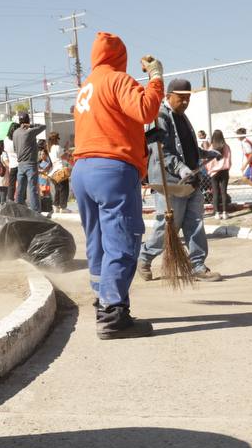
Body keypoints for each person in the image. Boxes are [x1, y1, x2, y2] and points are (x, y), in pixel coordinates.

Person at [71, 32, 164, 339]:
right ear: (119, 56)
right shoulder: (117, 79)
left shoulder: (86, 87)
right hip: (112, 169)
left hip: (82, 170)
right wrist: (155, 76)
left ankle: (103, 301)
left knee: (97, 240)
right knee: (123, 239)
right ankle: (113, 316)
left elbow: (113, 124)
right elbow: (146, 110)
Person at [139, 80, 223, 282]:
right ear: (168, 96)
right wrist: (182, 168)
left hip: (191, 180)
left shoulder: (183, 118)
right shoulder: (160, 118)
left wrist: (206, 154)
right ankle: (144, 257)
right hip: (171, 183)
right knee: (168, 226)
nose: (185, 101)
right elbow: (163, 153)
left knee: (195, 222)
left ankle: (197, 265)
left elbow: (187, 148)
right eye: (181, 97)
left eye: (188, 98)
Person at [7, 112, 46, 211]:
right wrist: (30, 126)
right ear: (28, 121)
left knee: (20, 189)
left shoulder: (15, 133)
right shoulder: (29, 132)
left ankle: (18, 210)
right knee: (33, 189)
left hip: (20, 164)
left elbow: (15, 149)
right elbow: (43, 126)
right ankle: (35, 211)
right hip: (30, 164)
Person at [204, 130, 232, 219]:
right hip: (224, 171)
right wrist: (227, 167)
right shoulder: (226, 146)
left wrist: (210, 170)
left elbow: (208, 162)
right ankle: (225, 213)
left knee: (215, 193)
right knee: (224, 192)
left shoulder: (211, 147)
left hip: (214, 172)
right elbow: (229, 159)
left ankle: (216, 213)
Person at [47, 132, 70, 213]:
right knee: (64, 189)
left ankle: (56, 205)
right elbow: (65, 157)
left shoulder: (50, 148)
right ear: (56, 139)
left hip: (53, 172)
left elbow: (59, 154)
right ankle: (63, 207)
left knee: (58, 189)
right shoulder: (57, 147)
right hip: (60, 171)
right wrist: (67, 151)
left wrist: (64, 149)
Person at [235, 128, 252, 193]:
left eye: (237, 135)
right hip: (251, 164)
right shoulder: (245, 142)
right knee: (244, 178)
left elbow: (251, 155)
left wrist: (244, 165)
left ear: (240, 135)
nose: (236, 136)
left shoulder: (245, 143)